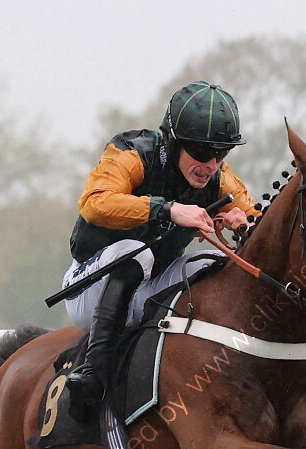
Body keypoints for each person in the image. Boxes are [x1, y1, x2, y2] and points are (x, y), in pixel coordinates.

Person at [62, 81, 258, 419]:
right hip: (89, 287)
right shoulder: (132, 153)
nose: (210, 164)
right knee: (136, 251)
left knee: (216, 260)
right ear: (174, 140)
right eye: (200, 151)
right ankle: (92, 372)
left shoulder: (220, 179)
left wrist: (243, 226)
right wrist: (167, 209)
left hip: (149, 293)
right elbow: (94, 203)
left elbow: (258, 228)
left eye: (220, 153)